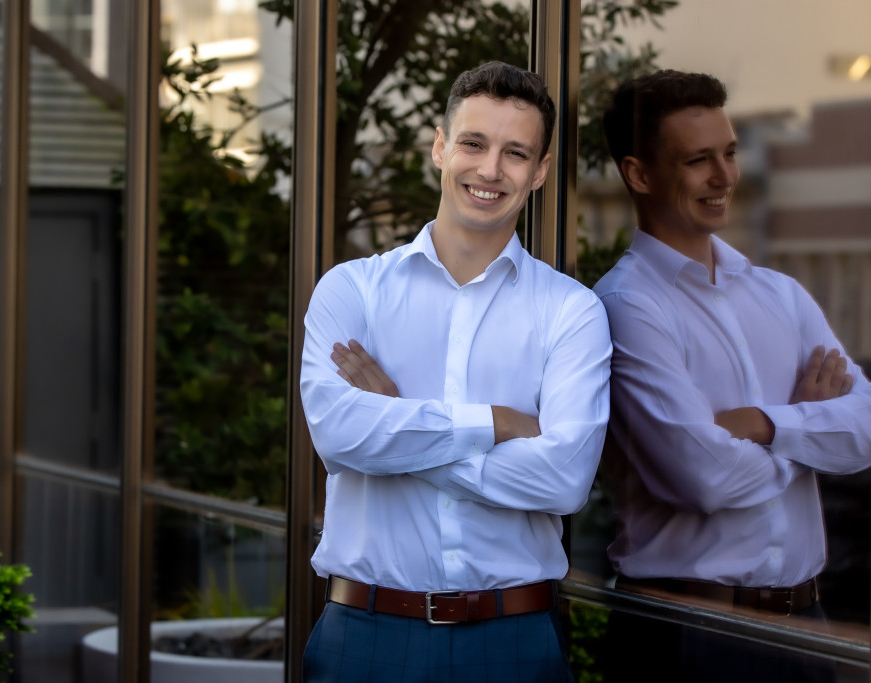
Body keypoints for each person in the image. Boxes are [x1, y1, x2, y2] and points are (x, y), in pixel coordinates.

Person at [298, 61, 612, 682]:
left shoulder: (571, 311)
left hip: (513, 639)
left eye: (515, 153)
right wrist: (494, 423)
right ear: (440, 148)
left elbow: (564, 480)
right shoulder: (353, 291)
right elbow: (338, 434)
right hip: (365, 635)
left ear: (540, 171)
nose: (490, 170)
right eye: (473, 143)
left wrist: (395, 424)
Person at [593, 69, 871, 682]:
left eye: (730, 153)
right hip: (689, 633)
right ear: (639, 174)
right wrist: (806, 431)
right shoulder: (627, 305)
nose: (724, 178)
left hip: (806, 623)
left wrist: (763, 425)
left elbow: (866, 431)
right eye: (698, 161)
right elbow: (703, 478)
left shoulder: (781, 294)